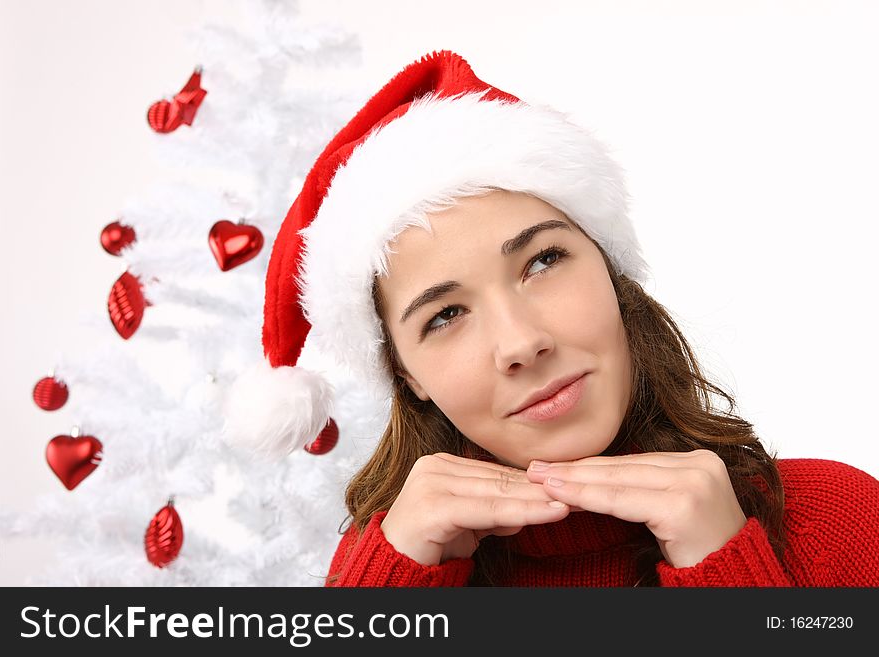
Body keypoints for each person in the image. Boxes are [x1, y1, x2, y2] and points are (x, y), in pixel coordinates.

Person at [225, 50, 879, 586]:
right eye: (446, 313)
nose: (521, 342)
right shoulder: (390, 570)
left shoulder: (836, 520)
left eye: (542, 261)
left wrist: (730, 580)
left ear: (609, 269)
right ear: (407, 374)